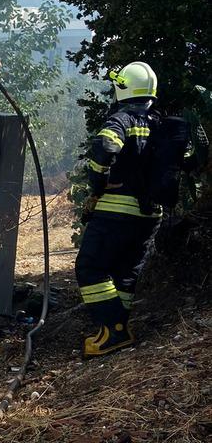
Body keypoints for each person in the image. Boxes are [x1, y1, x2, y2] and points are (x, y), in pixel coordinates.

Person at [75, 61, 164, 357]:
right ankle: (115, 332)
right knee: (126, 272)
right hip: (151, 215)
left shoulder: (123, 119)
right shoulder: (160, 123)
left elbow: (106, 147)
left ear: (122, 87)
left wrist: (98, 184)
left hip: (117, 209)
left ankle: (114, 330)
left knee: (90, 268)